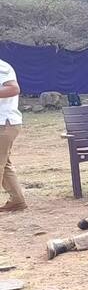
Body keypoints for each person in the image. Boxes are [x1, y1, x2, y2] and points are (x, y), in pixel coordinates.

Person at [0, 59, 26, 212]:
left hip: (4, 123)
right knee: (4, 162)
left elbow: (14, 89)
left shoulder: (1, 67)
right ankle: (17, 200)